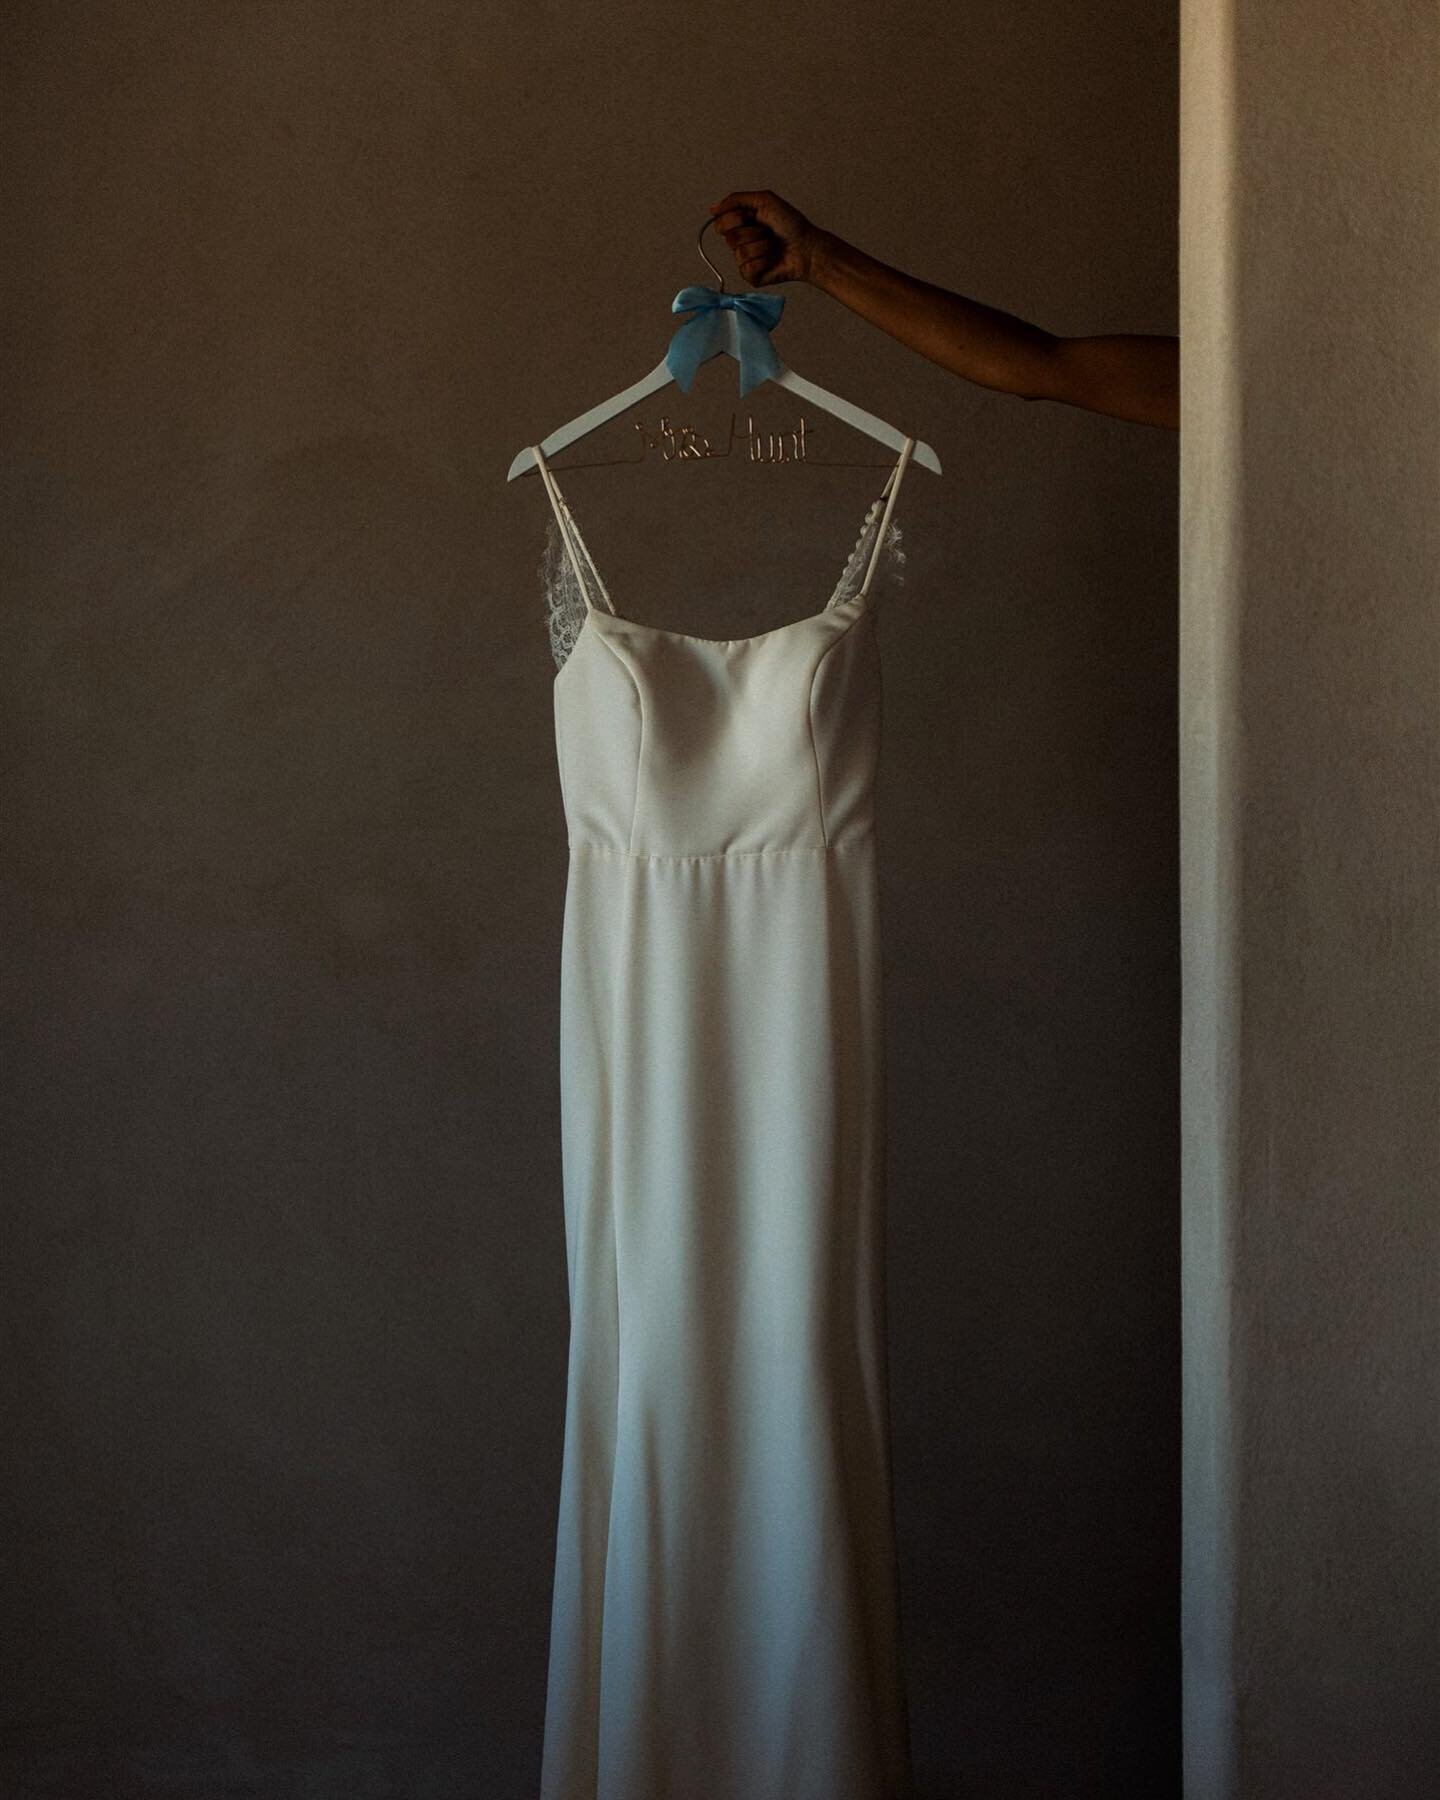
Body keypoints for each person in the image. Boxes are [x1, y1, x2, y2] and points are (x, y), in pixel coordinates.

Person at [708, 190, 1179, 431]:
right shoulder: (1228, 383)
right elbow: (1040, 366)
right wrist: (818, 259)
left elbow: (1043, 369)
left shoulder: (1242, 394)